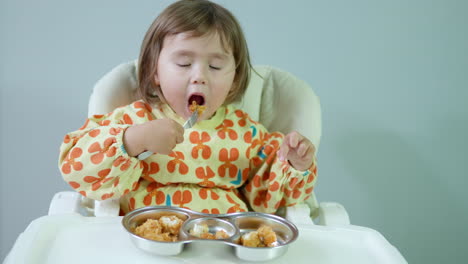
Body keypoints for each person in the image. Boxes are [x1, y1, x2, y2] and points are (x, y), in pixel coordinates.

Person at [59, 0, 317, 215]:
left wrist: (293, 164)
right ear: (155, 71)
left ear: (234, 79)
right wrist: (133, 140)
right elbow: (76, 167)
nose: (199, 76)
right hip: (146, 243)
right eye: (183, 63)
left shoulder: (246, 133)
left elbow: (271, 202)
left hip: (224, 245)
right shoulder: (137, 118)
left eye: (215, 67)